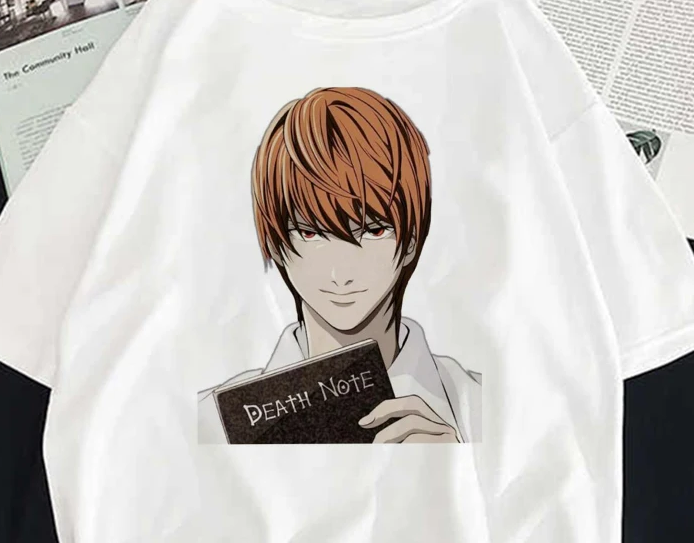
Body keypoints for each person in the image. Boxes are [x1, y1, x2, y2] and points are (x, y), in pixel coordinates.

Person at [197, 86, 481, 444]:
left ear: (411, 240)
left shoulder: (482, 407)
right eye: (310, 233)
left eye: (373, 230)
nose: (341, 273)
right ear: (278, 244)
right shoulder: (209, 425)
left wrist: (453, 464)